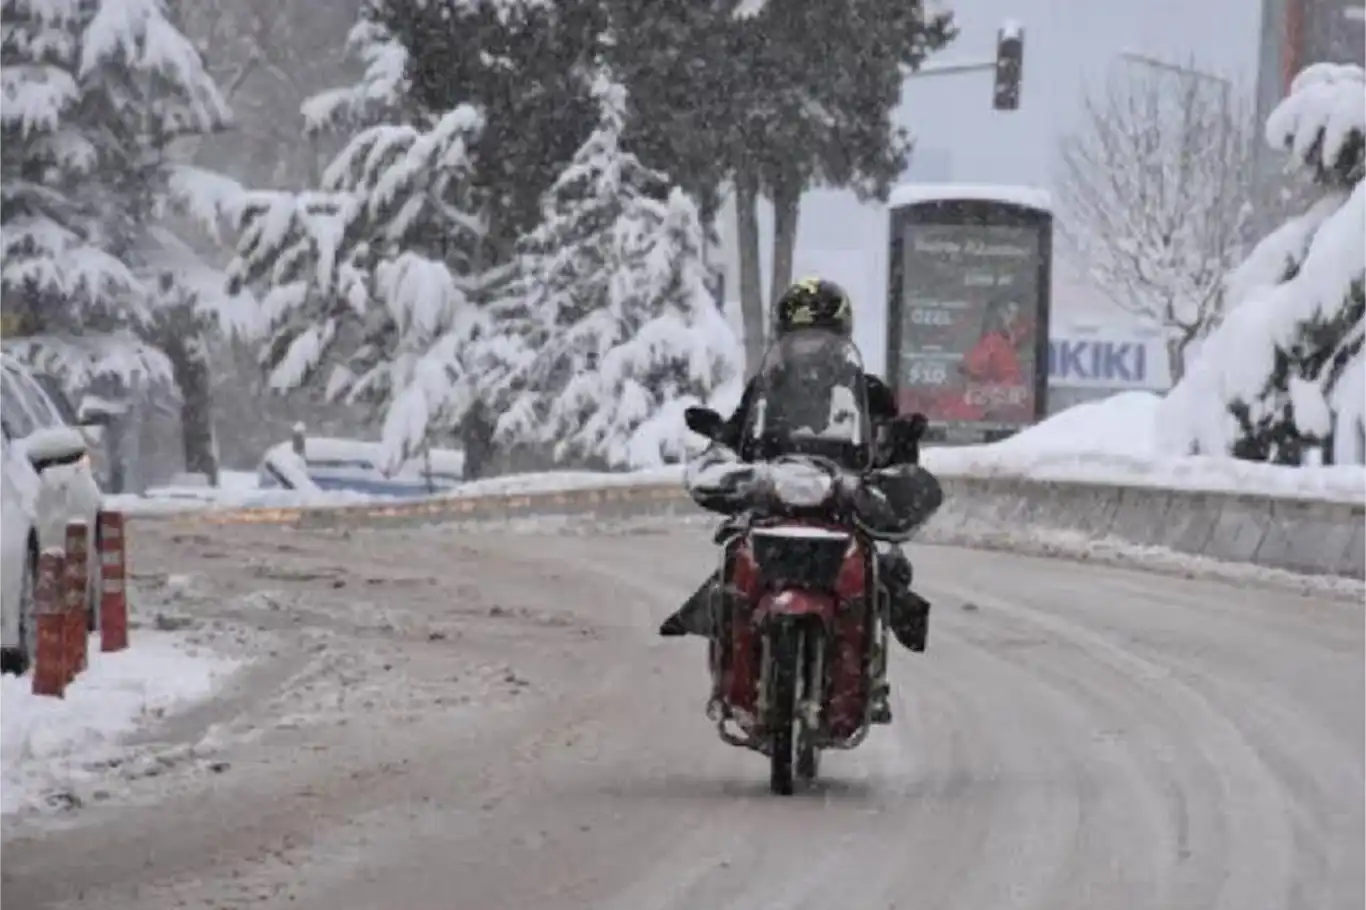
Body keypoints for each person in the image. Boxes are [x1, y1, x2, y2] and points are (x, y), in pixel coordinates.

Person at [659, 276, 934, 724]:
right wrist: (723, 447)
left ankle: (870, 675)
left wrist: (898, 446)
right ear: (783, 339)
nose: (812, 350)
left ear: (841, 336)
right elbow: (738, 435)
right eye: (801, 338)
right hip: (774, 499)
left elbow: (888, 443)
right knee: (730, 563)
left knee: (887, 568)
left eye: (822, 337)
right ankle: (731, 671)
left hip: (840, 502)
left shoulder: (868, 392)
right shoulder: (765, 389)